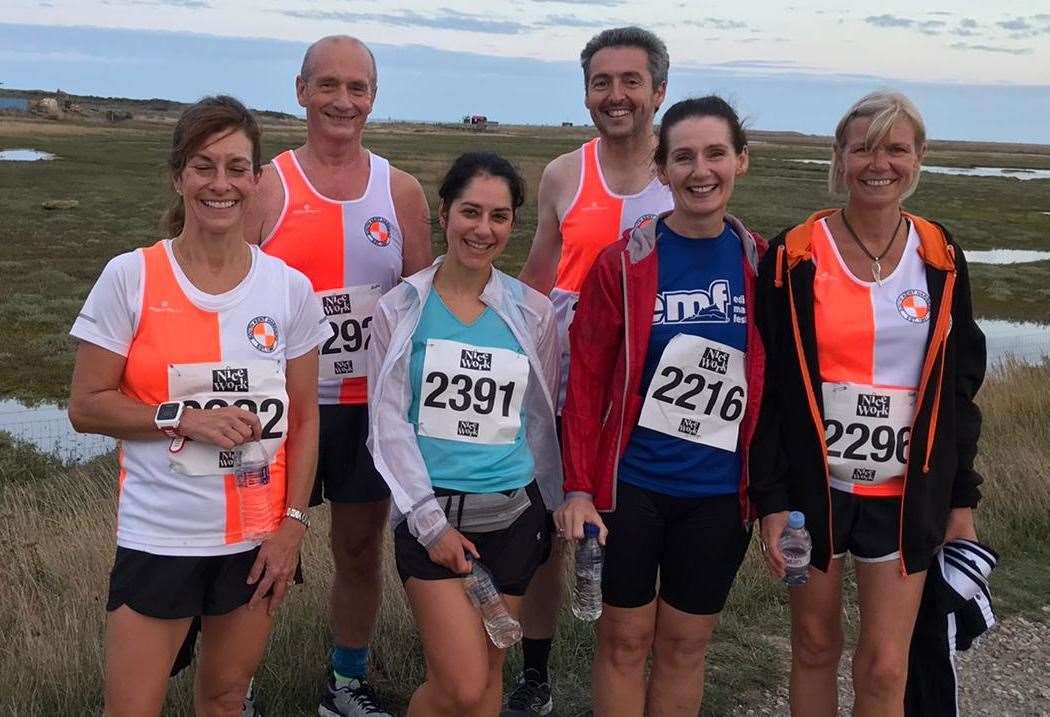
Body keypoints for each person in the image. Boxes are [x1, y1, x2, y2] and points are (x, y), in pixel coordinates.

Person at [67, 95, 327, 716]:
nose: (221, 184)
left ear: (257, 180)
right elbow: (86, 407)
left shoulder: (289, 289)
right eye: (204, 166)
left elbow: (305, 419)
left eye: (238, 167)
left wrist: (294, 523)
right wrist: (178, 417)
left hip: (257, 541)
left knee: (227, 698)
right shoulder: (131, 276)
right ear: (178, 175)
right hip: (162, 537)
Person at [750, 90, 986, 717]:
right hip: (813, 493)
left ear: (919, 157)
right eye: (864, 148)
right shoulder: (794, 253)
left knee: (885, 662)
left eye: (896, 148)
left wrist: (962, 499)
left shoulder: (942, 256)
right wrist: (770, 500)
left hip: (906, 495)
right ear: (840, 156)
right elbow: (770, 389)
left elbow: (959, 387)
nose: (879, 163)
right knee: (814, 645)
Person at [556, 96, 767, 716]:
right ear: (661, 170)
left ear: (741, 162)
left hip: (719, 493)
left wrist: (775, 495)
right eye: (683, 157)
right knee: (623, 640)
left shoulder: (763, 262)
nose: (700, 171)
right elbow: (587, 384)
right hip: (633, 486)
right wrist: (576, 488)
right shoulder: (623, 261)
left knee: (684, 646)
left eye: (715, 154)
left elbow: (775, 389)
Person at [243, 35, 432, 717]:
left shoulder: (401, 191)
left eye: (358, 88)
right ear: (301, 91)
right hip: (279, 408)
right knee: (261, 554)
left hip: (363, 404)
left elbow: (420, 305)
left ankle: (344, 685)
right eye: (328, 85)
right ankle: (239, 686)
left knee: (357, 548)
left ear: (374, 98)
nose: (342, 100)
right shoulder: (266, 185)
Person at [510, 26, 673, 715]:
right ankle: (538, 673)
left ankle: (641, 661)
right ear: (586, 93)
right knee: (553, 531)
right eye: (602, 82)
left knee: (646, 526)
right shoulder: (563, 174)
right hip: (569, 382)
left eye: (631, 81)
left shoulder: (686, 166)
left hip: (658, 389)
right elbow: (537, 280)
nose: (616, 95)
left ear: (658, 91)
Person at [366, 152, 562, 717]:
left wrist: (553, 505)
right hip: (437, 523)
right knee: (460, 685)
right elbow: (386, 425)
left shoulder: (532, 312)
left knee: (489, 678)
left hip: (515, 519)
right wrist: (428, 524)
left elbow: (541, 416)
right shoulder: (401, 308)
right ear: (445, 212)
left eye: (499, 217)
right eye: (470, 212)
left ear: (512, 224)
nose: (483, 229)